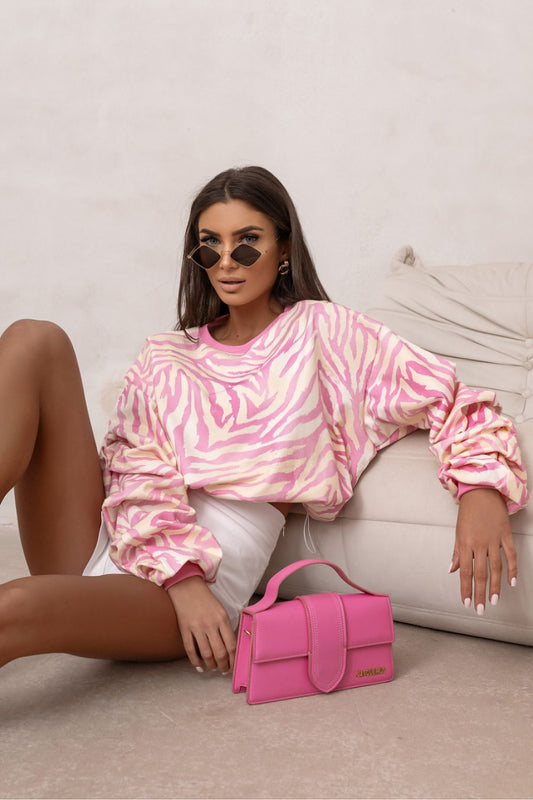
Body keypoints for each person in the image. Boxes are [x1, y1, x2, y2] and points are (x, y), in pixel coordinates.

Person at [0, 166, 528, 677]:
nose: (228, 262)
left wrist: (480, 493)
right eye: (210, 245)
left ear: (283, 249)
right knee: (34, 338)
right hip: (114, 542)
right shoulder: (165, 355)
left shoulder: (324, 333)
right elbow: (135, 469)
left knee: (14, 604)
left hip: (192, 590)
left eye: (248, 242)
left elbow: (452, 398)